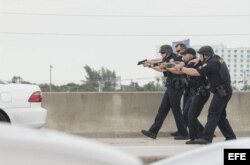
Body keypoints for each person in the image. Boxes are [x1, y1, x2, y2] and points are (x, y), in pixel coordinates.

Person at [174, 46, 236, 144]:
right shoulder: (216, 59)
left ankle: (207, 138)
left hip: (222, 92)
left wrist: (182, 68)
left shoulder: (211, 63)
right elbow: (207, 62)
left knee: (213, 113)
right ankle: (231, 137)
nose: (200, 57)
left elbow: (197, 72)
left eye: (201, 55)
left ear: (206, 55)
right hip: (223, 91)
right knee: (220, 116)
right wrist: (199, 59)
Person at [141, 44, 188, 140]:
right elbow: (160, 66)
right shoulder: (166, 59)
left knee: (176, 110)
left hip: (177, 87)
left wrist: (150, 65)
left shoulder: (176, 58)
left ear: (168, 52)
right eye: (161, 53)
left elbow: (165, 67)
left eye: (162, 53)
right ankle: (153, 131)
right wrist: (149, 64)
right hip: (170, 86)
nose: (161, 55)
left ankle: (184, 133)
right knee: (162, 110)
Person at [176, 48, 211, 144]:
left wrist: (181, 67)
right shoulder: (191, 63)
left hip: (201, 92)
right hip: (193, 92)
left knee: (190, 114)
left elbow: (180, 70)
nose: (183, 57)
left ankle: (196, 137)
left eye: (185, 55)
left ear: (191, 55)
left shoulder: (197, 63)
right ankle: (199, 135)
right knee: (188, 115)